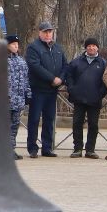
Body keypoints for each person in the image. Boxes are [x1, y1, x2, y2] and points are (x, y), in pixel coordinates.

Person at [25, 20, 66, 158]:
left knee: (49, 119)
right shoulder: (33, 48)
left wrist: (61, 79)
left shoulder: (58, 48)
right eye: (45, 32)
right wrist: (52, 78)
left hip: (52, 90)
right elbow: (35, 67)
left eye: (50, 31)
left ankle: (47, 147)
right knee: (34, 119)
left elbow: (65, 65)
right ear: (40, 33)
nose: (48, 34)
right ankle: (32, 147)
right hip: (38, 89)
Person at [63, 37, 107, 158]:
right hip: (79, 99)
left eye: (94, 46)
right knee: (77, 123)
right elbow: (69, 76)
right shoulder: (76, 62)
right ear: (85, 47)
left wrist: (100, 93)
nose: (91, 48)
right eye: (89, 46)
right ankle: (77, 148)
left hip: (95, 99)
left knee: (93, 124)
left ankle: (90, 149)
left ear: (97, 47)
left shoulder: (103, 63)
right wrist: (72, 89)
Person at [6, 34, 30, 161]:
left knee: (14, 125)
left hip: (18, 99)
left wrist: (28, 94)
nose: (16, 46)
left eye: (17, 44)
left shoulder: (21, 61)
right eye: (13, 44)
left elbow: (26, 79)